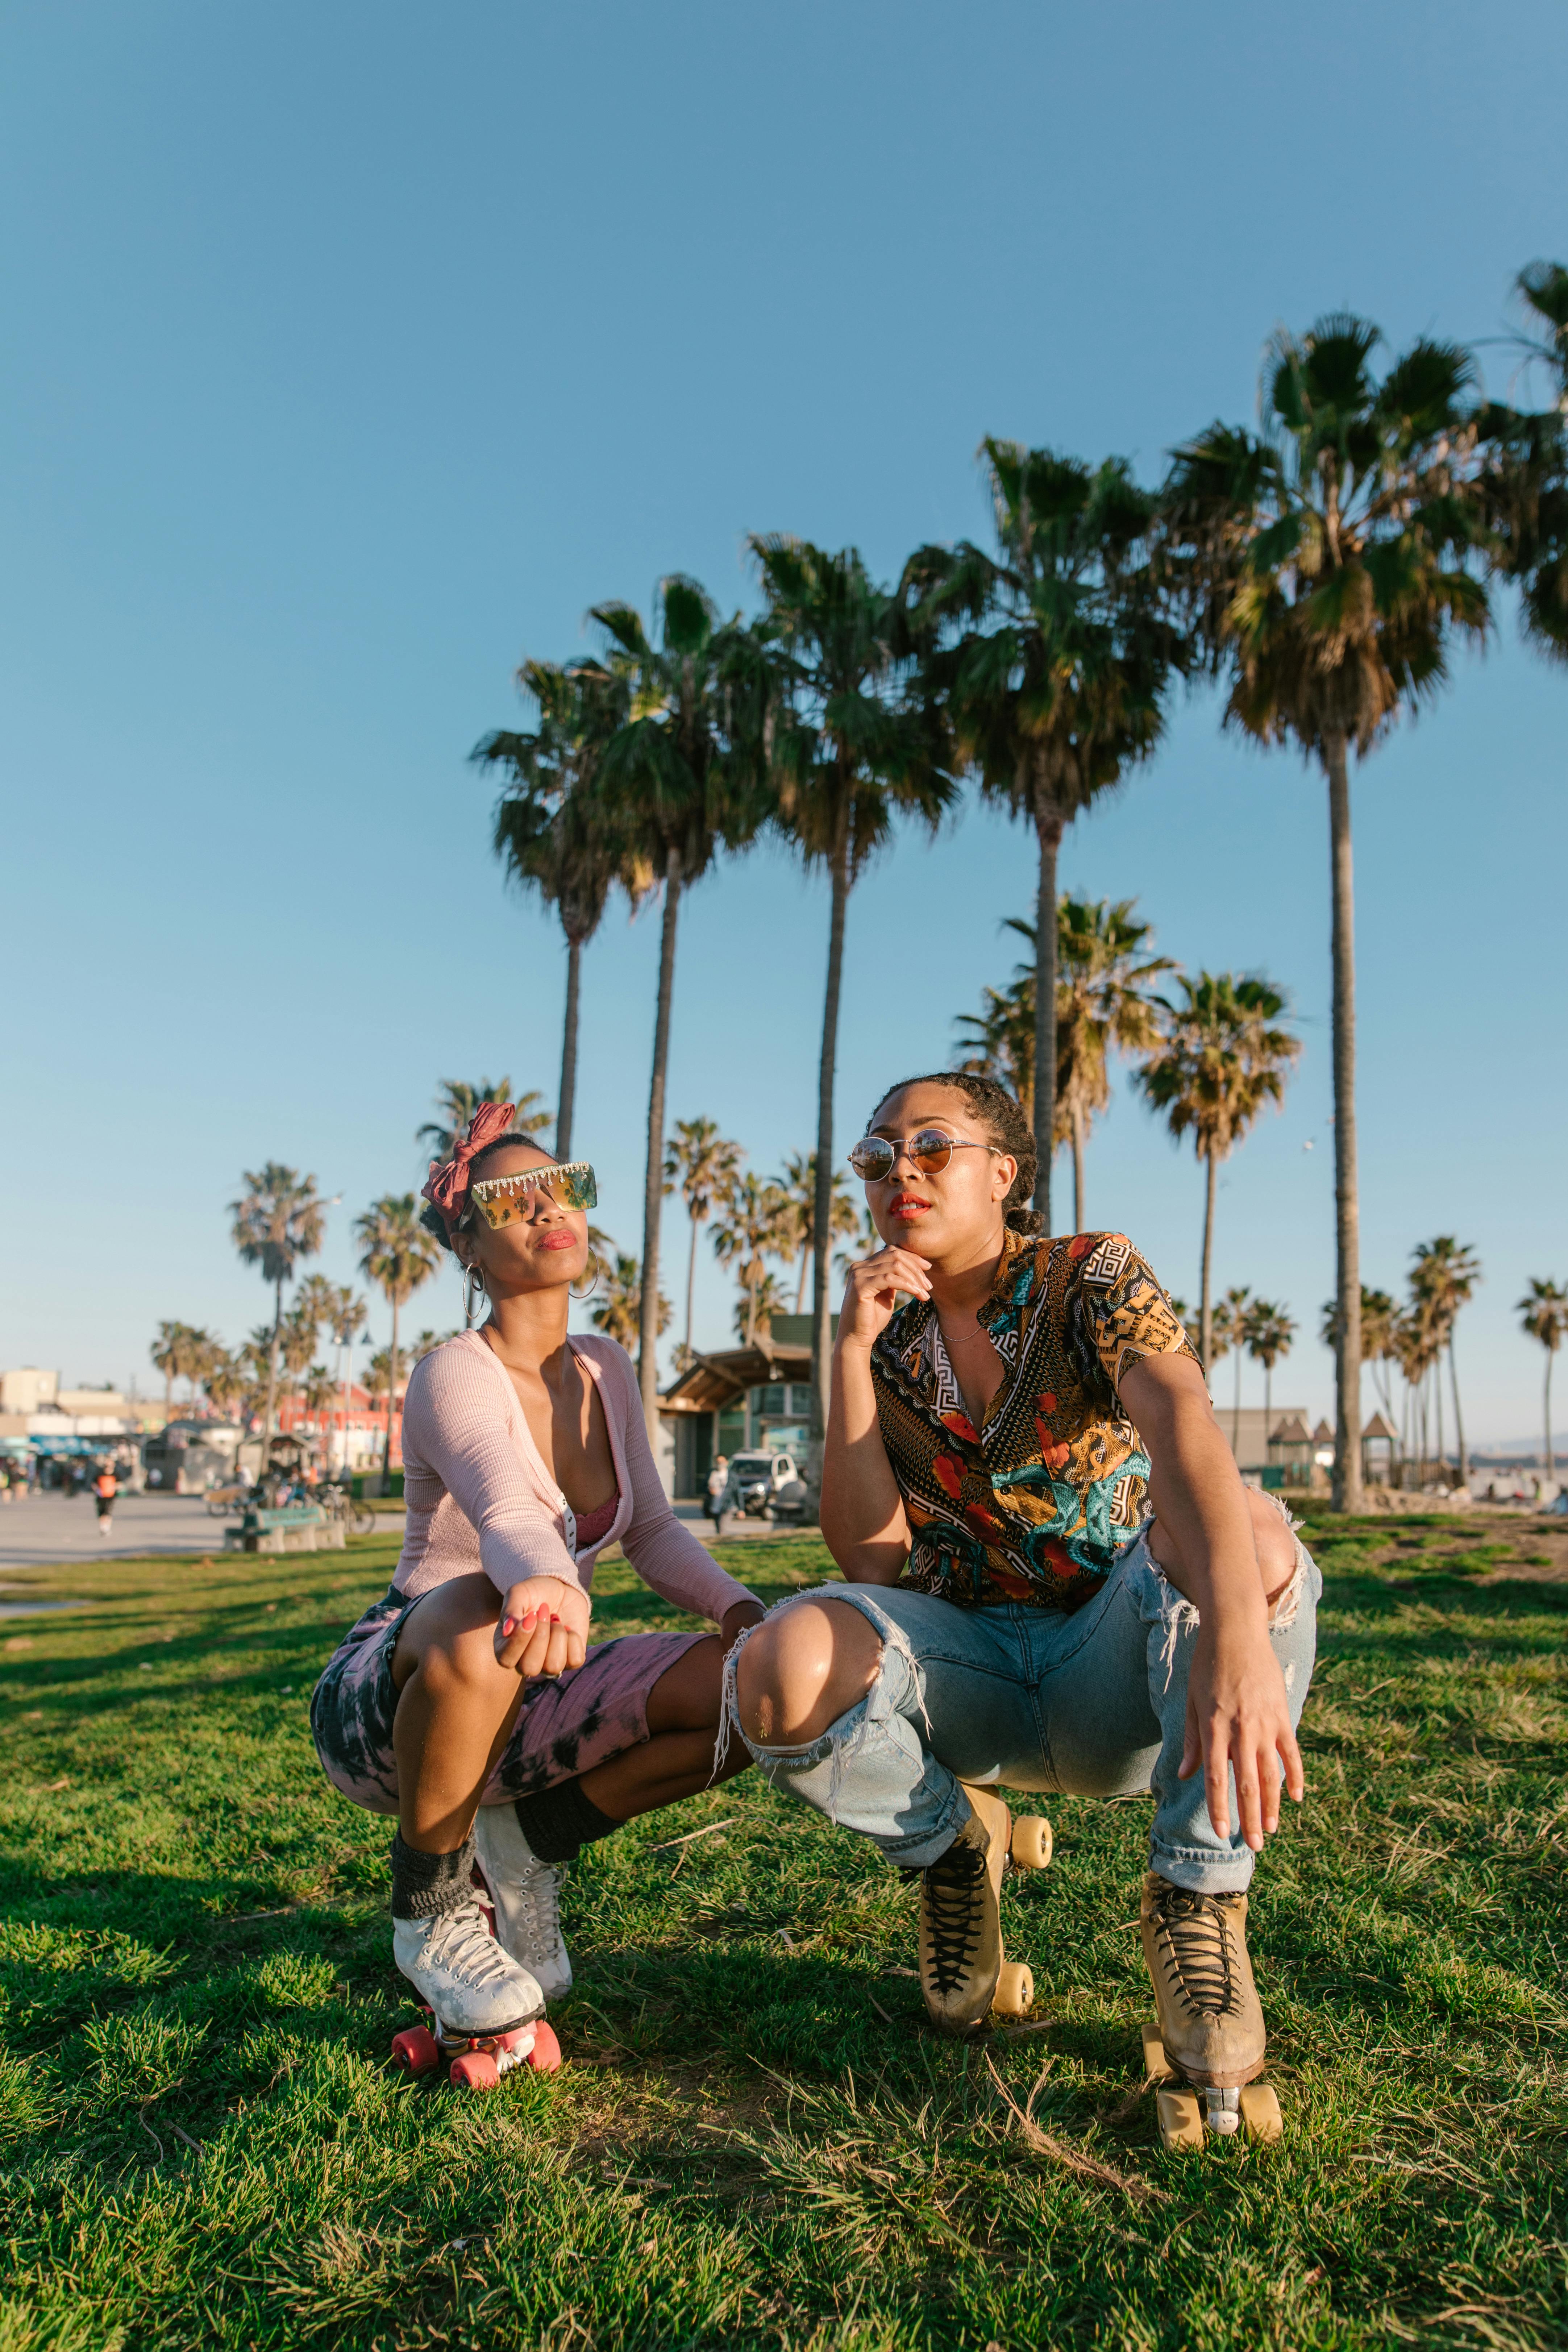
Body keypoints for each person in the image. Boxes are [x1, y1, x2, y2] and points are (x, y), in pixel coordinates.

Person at [728, 1071, 1318, 2112]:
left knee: (1258, 1541)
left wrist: (1232, 1633)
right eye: (875, 1155)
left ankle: (1194, 1903)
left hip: (1120, 1666)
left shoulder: (1085, 1276)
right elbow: (869, 1561)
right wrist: (849, 1355)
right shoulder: (892, 1341)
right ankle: (950, 1847)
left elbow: (1180, 1418)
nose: (898, 1169)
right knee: (778, 1664)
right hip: (975, 1674)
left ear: (1002, 1170)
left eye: (930, 1145)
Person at [311, 1102, 765, 2054]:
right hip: (398, 1700)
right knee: (482, 1608)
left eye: (564, 1186)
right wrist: (544, 1581)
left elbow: (646, 1528)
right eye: (509, 1201)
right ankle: (431, 1908)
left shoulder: (605, 1365)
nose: (545, 1209)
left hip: (535, 1685)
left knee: (753, 1692)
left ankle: (520, 1848)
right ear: (467, 1244)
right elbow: (510, 1512)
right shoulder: (451, 1374)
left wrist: (737, 1608)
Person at [706, 1454, 730, 1536]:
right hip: (715, 1503)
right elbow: (703, 1487)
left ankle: (722, 1541)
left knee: (722, 1526)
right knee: (718, 1526)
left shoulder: (731, 1475)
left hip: (728, 1504)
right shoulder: (712, 1473)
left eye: (722, 1462)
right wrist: (709, 1490)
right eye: (718, 1462)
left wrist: (741, 1509)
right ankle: (721, 1539)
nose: (720, 1464)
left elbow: (737, 1492)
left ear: (727, 1462)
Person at [92, 1463, 117, 1536]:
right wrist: (98, 1490)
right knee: (101, 1513)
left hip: (110, 1497)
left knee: (108, 1513)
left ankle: (107, 1528)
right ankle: (102, 1528)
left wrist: (114, 1487)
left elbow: (121, 1484)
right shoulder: (100, 1475)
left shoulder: (116, 1475)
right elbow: (94, 1484)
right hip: (101, 1497)